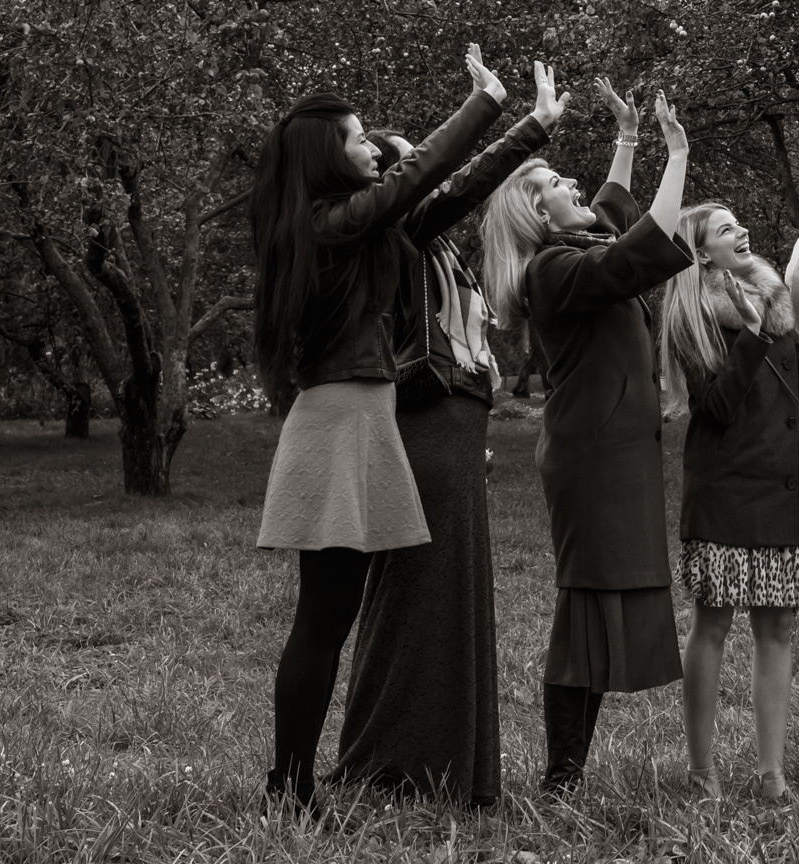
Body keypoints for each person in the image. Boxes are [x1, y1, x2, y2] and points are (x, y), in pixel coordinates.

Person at [249, 55, 507, 814]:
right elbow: (415, 174)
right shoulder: (325, 225)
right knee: (321, 621)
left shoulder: (355, 230)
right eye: (360, 138)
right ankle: (289, 786)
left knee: (328, 620)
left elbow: (445, 190)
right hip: (338, 425)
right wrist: (481, 101)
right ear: (327, 154)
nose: (373, 148)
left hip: (360, 419)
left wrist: (525, 128)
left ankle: (291, 783)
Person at [329, 57, 567, 806]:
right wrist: (518, 120)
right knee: (416, 592)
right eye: (400, 166)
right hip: (422, 420)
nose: (416, 176)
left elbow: (459, 188)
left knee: (451, 592)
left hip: (457, 424)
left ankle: (440, 766)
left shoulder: (424, 245)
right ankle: (391, 766)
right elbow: (460, 180)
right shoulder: (390, 235)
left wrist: (536, 124)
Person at [480, 80, 694, 794]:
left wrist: (628, 141)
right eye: (553, 181)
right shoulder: (554, 270)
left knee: (604, 604)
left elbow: (611, 210)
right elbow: (640, 247)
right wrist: (677, 156)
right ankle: (560, 777)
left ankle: (567, 772)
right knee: (585, 608)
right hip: (593, 459)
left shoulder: (576, 244)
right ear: (537, 212)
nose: (570, 182)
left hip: (617, 454)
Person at [660, 170, 799, 801]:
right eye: (723, 228)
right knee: (711, 624)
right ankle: (702, 768)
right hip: (725, 487)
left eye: (739, 223)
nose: (740, 231)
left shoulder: (771, 295)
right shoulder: (695, 315)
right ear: (700, 251)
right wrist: (755, 334)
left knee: (779, 630)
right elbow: (714, 406)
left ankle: (772, 771)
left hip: (785, 487)